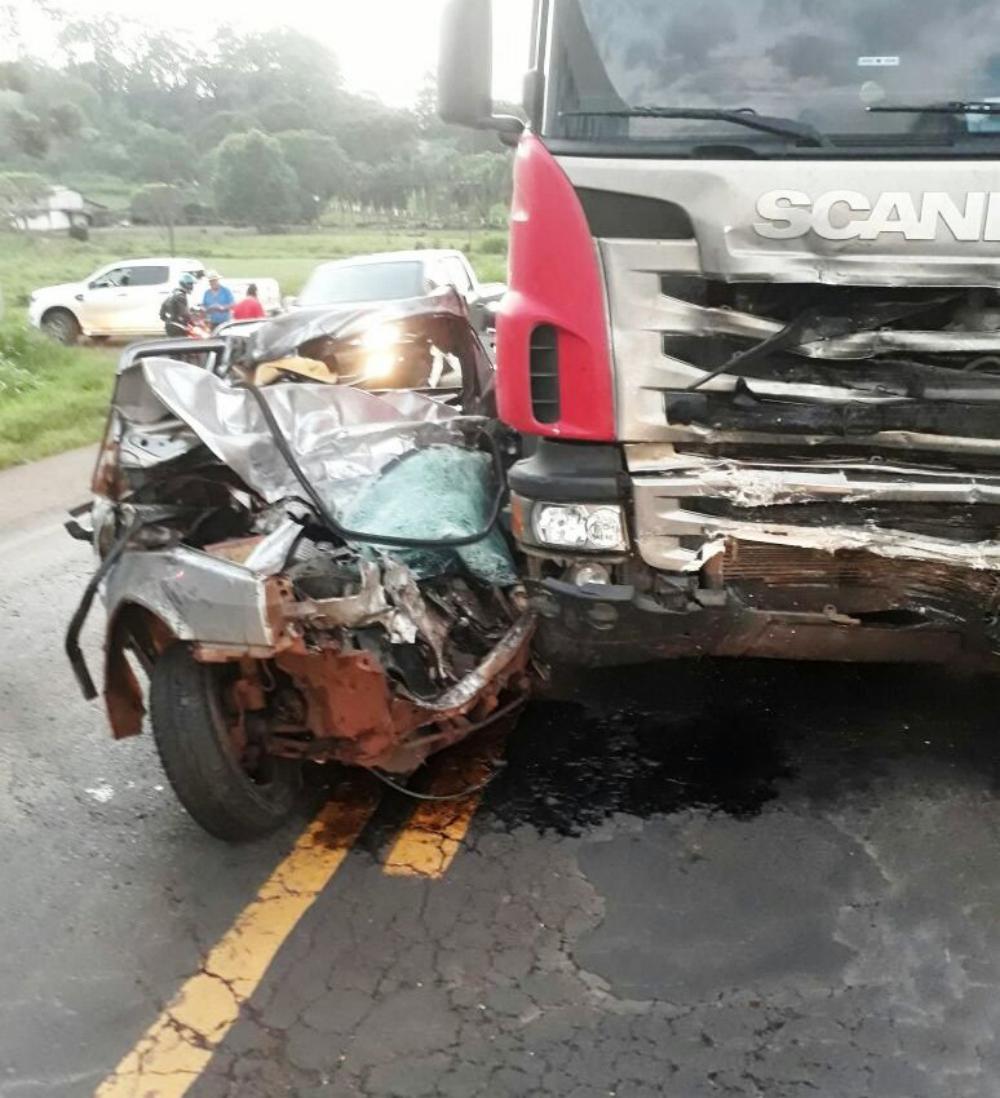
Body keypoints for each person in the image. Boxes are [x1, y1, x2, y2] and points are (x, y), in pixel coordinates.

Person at [160, 273, 195, 338]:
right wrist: (193, 324)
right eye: (190, 284)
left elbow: (162, 314)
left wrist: (169, 321)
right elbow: (185, 314)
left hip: (169, 326)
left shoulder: (172, 295)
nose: (192, 287)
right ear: (184, 284)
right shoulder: (181, 296)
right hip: (179, 327)